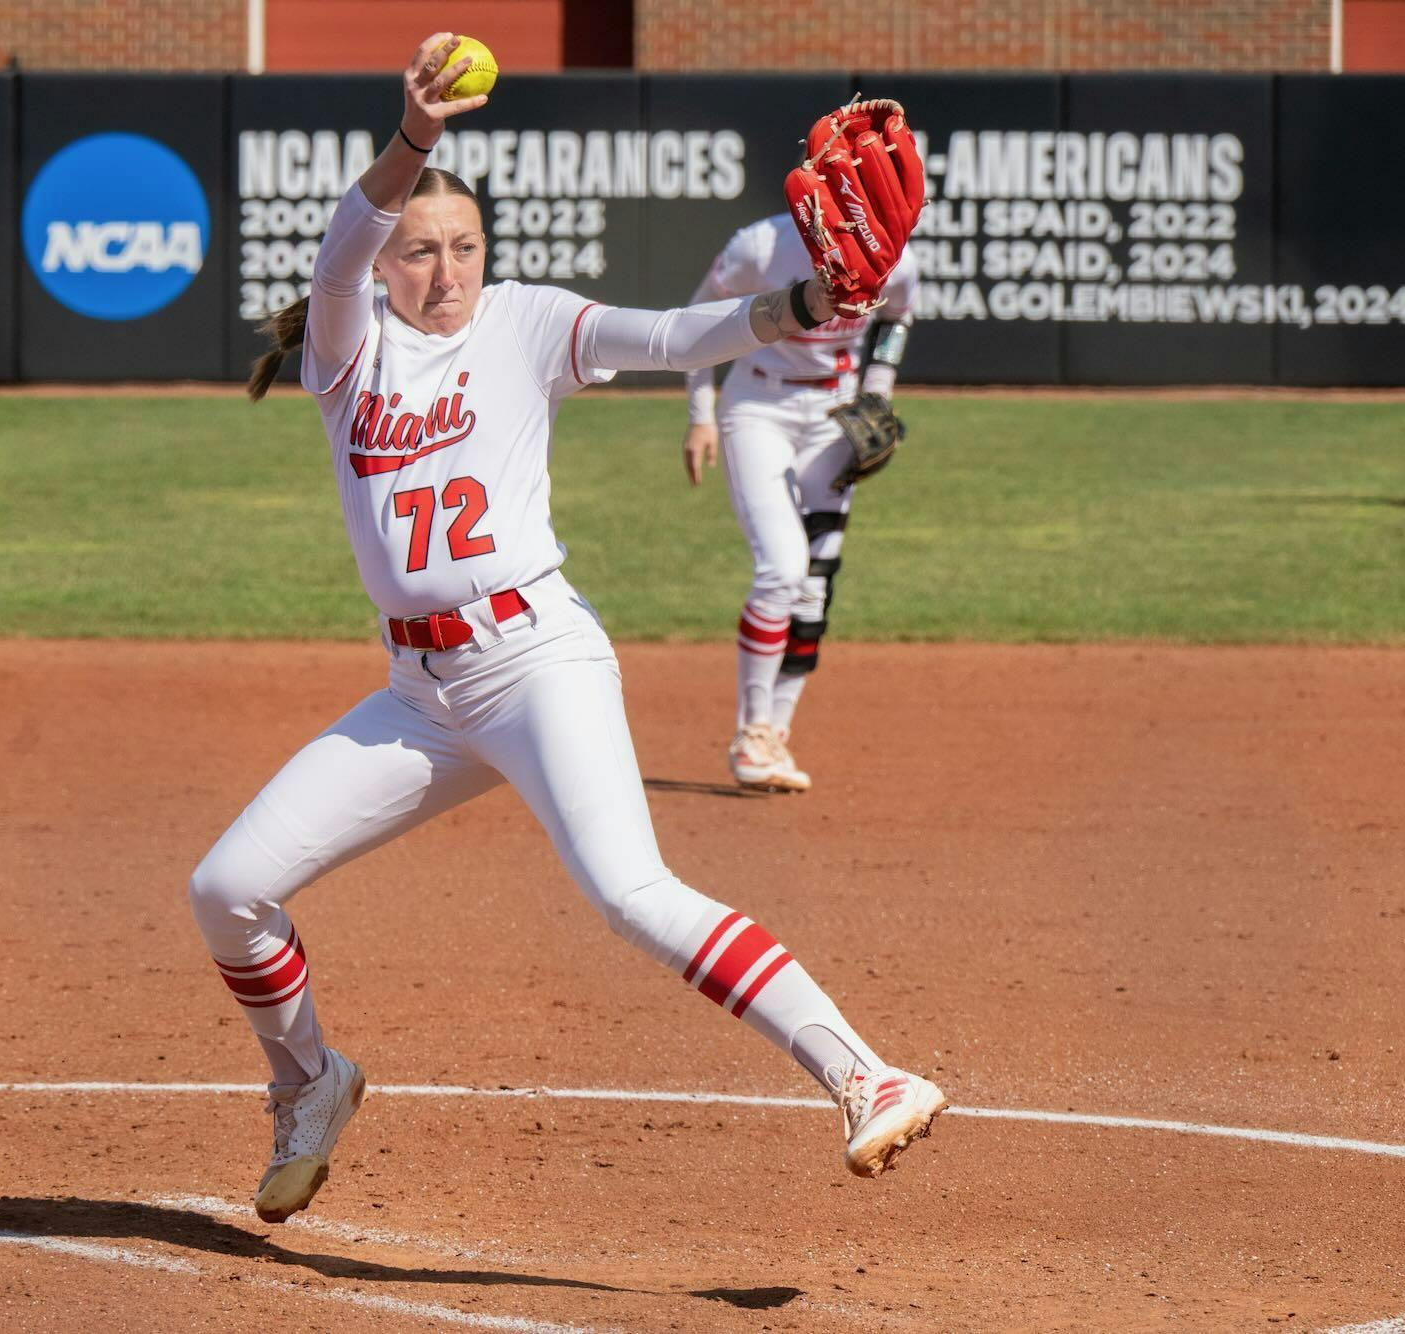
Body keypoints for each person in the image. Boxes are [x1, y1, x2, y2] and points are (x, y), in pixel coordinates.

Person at [188, 33, 946, 1226]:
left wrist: (803, 304)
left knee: (628, 887)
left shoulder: (525, 322)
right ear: (384, 266)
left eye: (465, 247)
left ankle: (862, 1068)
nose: (447, 271)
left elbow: (673, 335)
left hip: (537, 659)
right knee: (227, 885)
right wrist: (416, 137)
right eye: (422, 251)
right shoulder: (347, 349)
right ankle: (310, 1082)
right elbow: (340, 244)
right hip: (417, 694)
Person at [682, 224, 918, 791]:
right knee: (783, 570)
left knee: (816, 583)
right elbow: (695, 317)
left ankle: (774, 735)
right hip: (760, 404)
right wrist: (700, 413)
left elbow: (898, 316)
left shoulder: (896, 252)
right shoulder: (761, 245)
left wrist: (879, 391)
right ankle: (751, 733)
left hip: (836, 414)